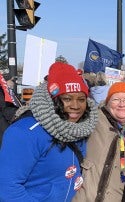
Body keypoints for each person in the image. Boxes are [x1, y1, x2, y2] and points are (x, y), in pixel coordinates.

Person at [0, 62, 98, 201]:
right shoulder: (24, 133)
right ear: (54, 100)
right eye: (67, 99)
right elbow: (8, 188)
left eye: (81, 99)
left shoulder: (83, 129)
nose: (75, 106)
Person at [73, 82, 125, 202]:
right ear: (107, 103)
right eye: (116, 99)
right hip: (83, 197)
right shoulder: (94, 119)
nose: (122, 104)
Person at [0, 73, 21, 146]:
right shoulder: (3, 92)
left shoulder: (8, 92)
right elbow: (6, 109)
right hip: (5, 130)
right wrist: (20, 114)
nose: (13, 83)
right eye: (12, 81)